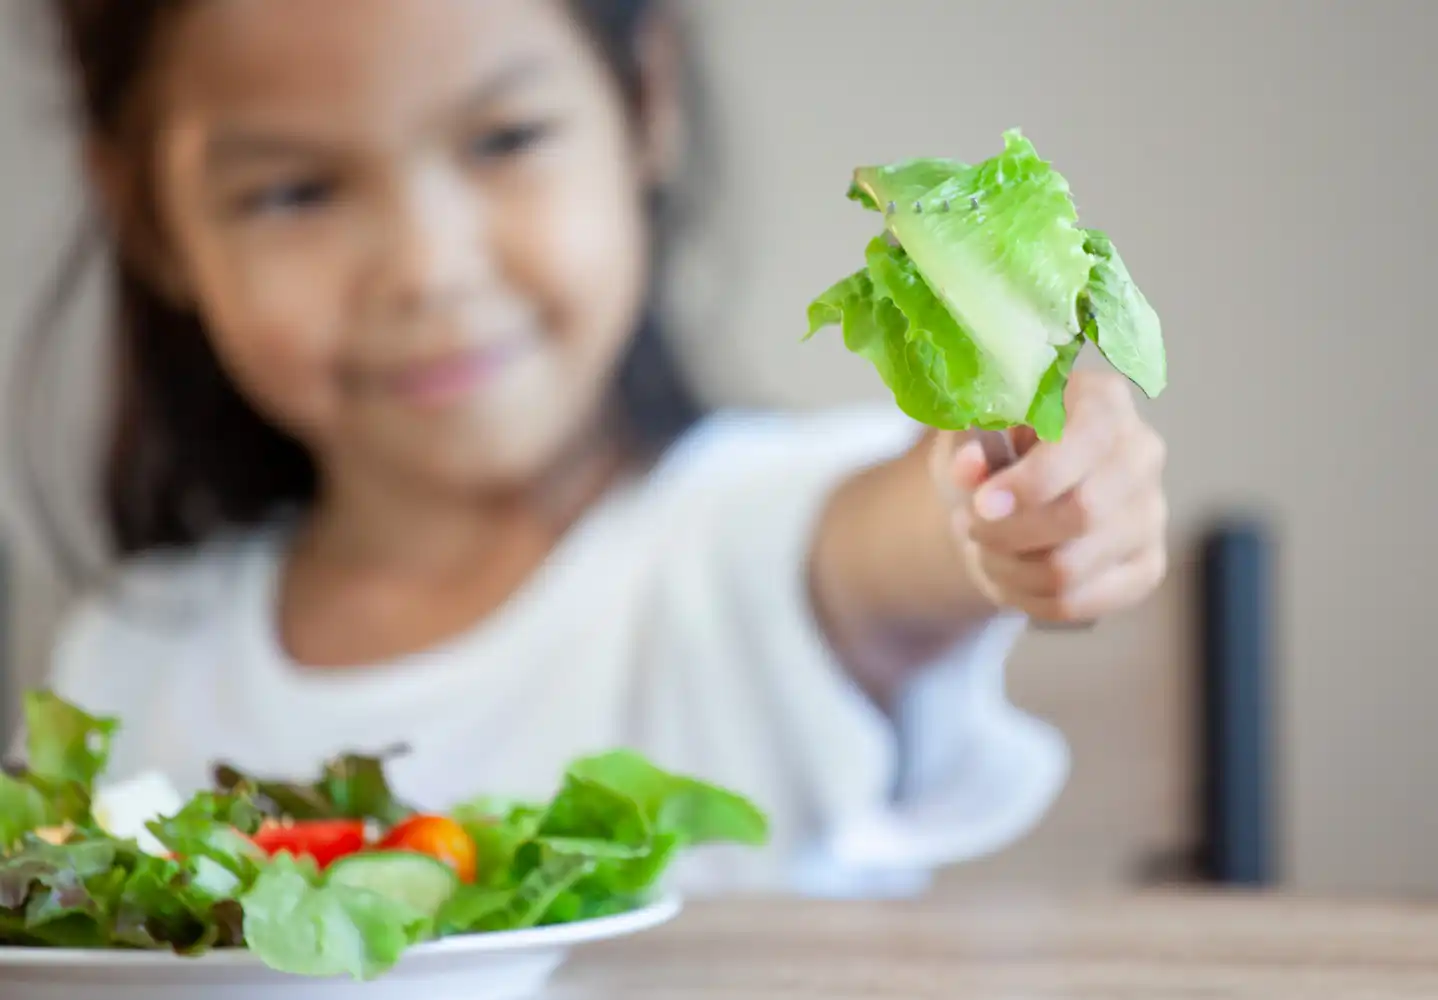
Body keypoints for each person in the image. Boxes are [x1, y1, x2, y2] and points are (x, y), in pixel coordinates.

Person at [23, 0, 1167, 898]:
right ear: (151, 221)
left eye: (505, 139)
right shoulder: (128, 661)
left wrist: (1025, 501)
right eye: (297, 190)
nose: (428, 266)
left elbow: (902, 542)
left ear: (645, 101)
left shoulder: (744, 537)